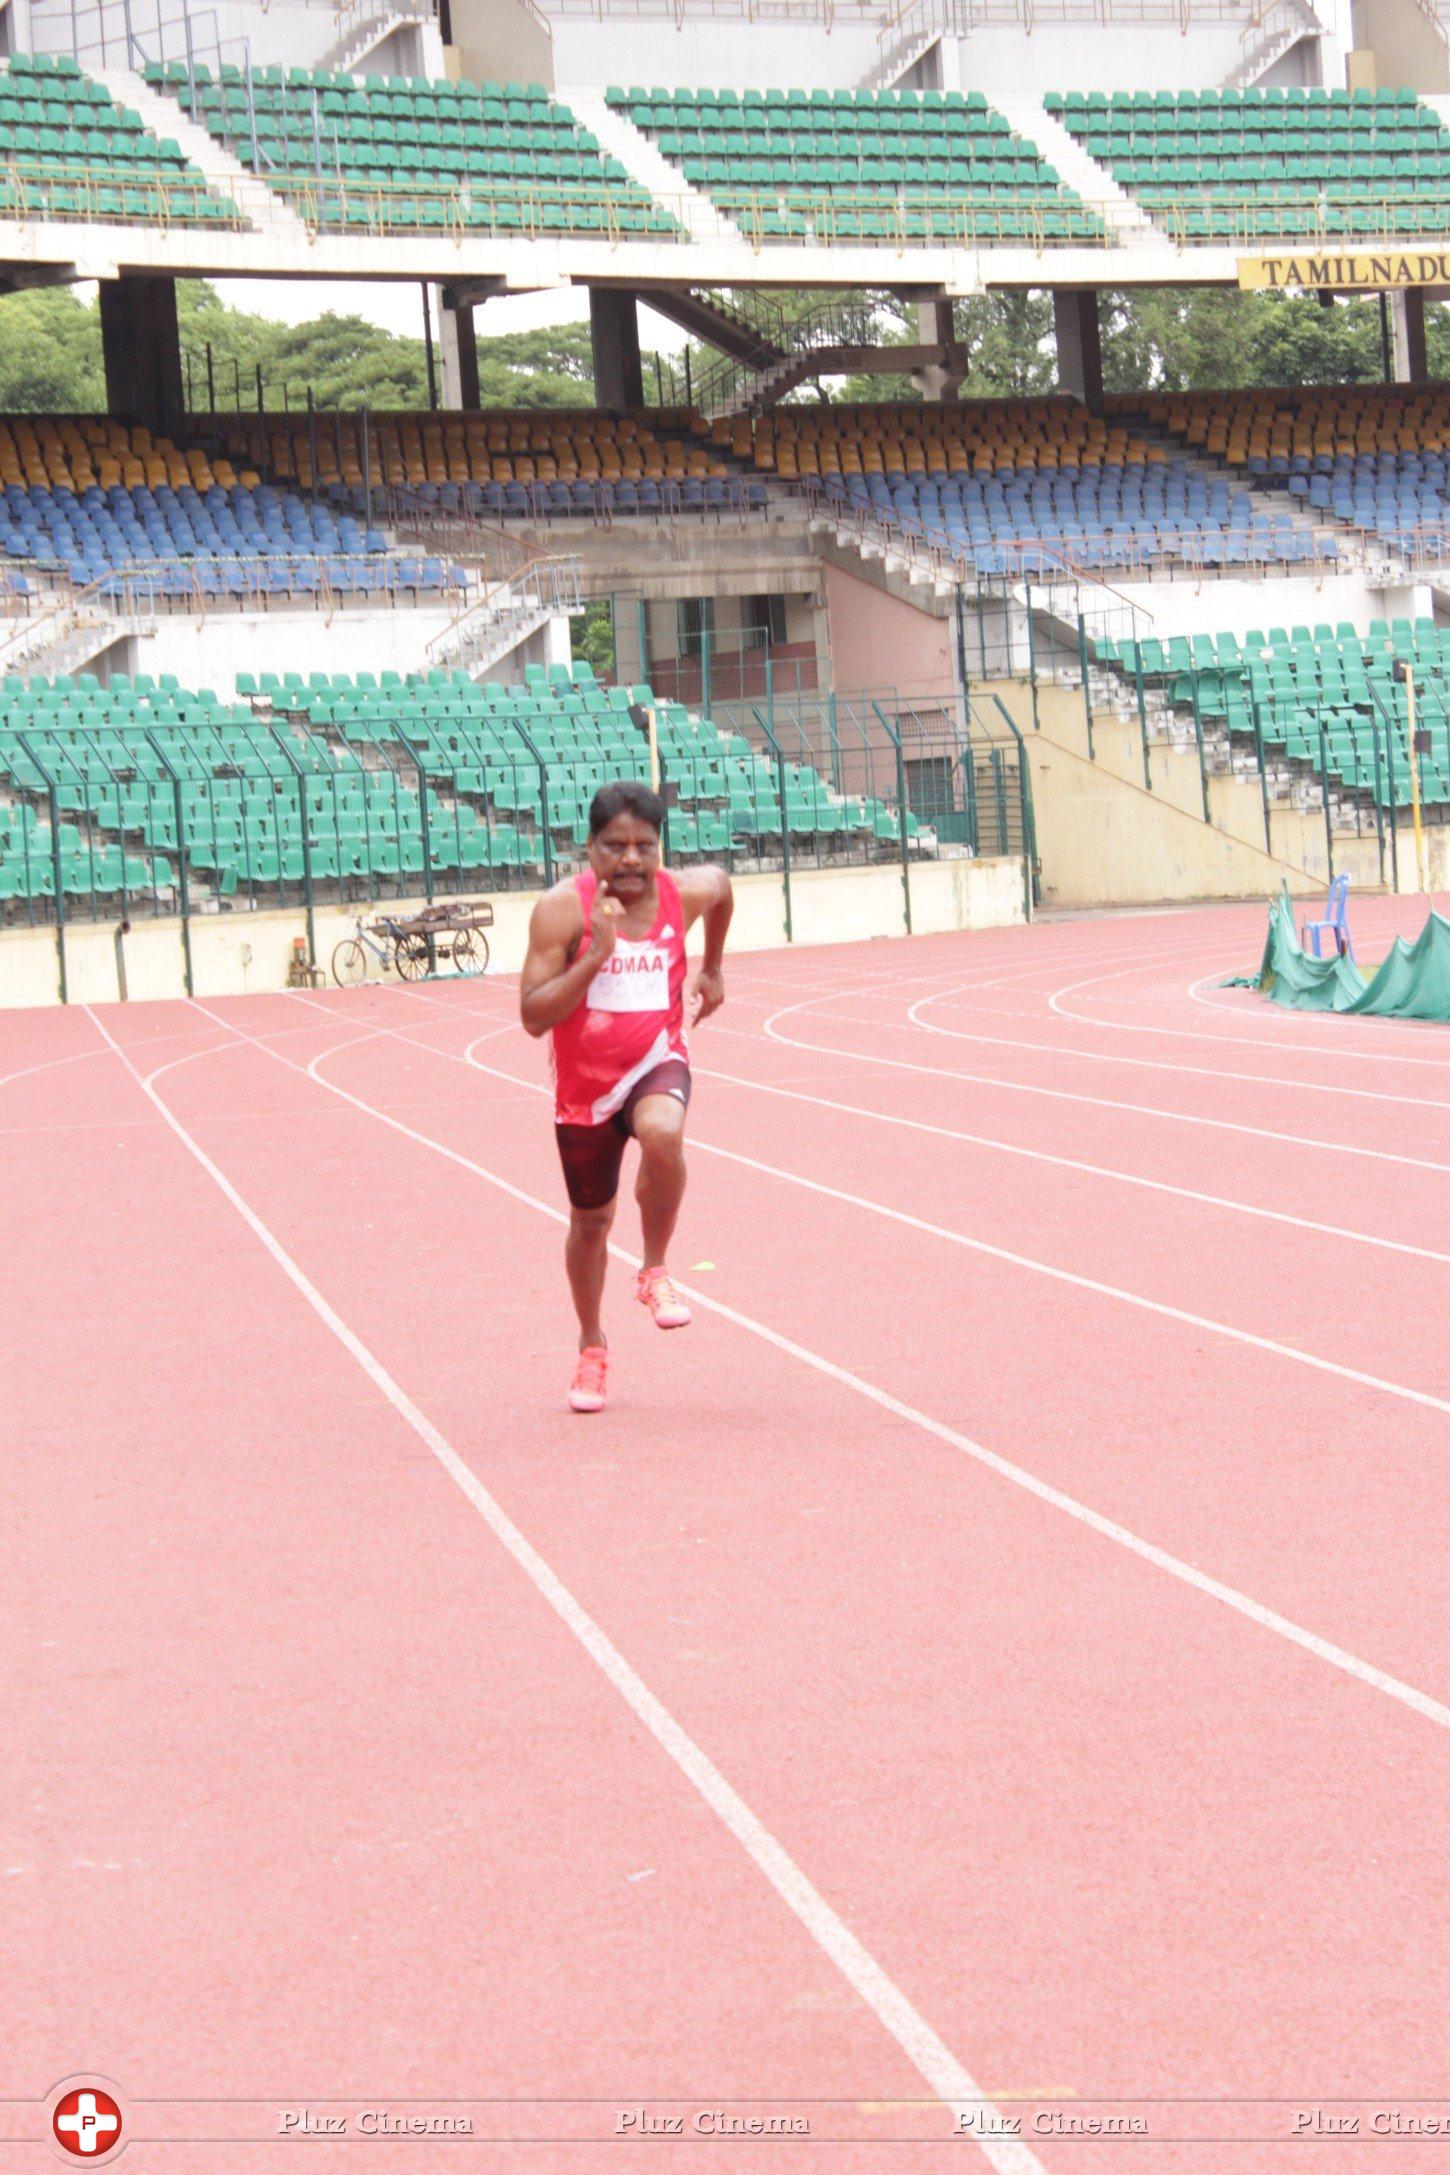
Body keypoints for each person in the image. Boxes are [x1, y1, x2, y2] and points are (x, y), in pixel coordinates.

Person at [519, 780, 733, 1413]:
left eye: (645, 845)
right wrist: (593, 961)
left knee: (665, 1131)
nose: (631, 860)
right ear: (590, 849)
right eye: (616, 846)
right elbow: (533, 1016)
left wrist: (713, 968)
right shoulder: (561, 911)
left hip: (655, 1060)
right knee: (590, 1225)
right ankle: (592, 1346)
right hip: (585, 1091)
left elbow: (723, 888)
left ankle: (655, 1269)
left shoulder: (683, 894)